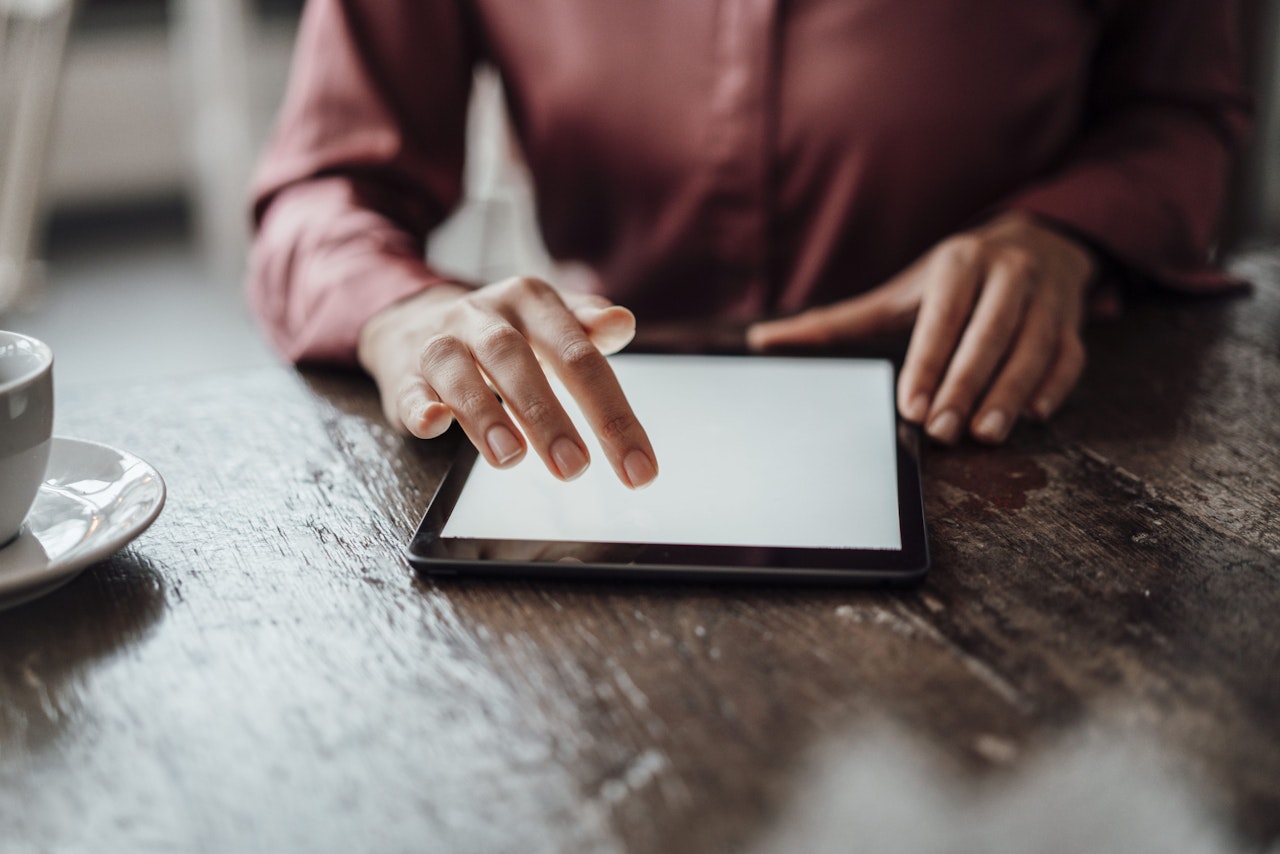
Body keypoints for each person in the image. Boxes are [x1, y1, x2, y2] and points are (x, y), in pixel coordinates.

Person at [249, 1, 1251, 489]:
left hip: (1008, 441)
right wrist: (403, 310)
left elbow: (1180, 112)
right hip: (623, 441)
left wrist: (1060, 237)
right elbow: (320, 189)